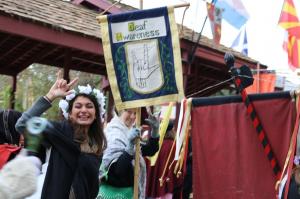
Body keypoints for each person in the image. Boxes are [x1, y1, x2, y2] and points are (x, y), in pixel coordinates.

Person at [15, 71, 107, 199]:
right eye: (78, 106)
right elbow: (22, 124)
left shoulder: (95, 144)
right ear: (69, 113)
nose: (84, 110)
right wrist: (50, 96)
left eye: (89, 106)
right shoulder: (59, 132)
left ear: (96, 114)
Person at [98, 108, 160, 199]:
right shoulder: (114, 132)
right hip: (114, 193)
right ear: (119, 111)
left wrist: (155, 131)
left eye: (135, 113)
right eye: (128, 111)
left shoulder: (128, 130)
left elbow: (149, 150)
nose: (133, 116)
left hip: (129, 192)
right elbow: (118, 170)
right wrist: (130, 146)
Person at [146, 120, 184, 199]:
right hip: (168, 182)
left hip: (156, 182)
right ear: (172, 131)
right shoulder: (173, 146)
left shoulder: (156, 145)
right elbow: (176, 166)